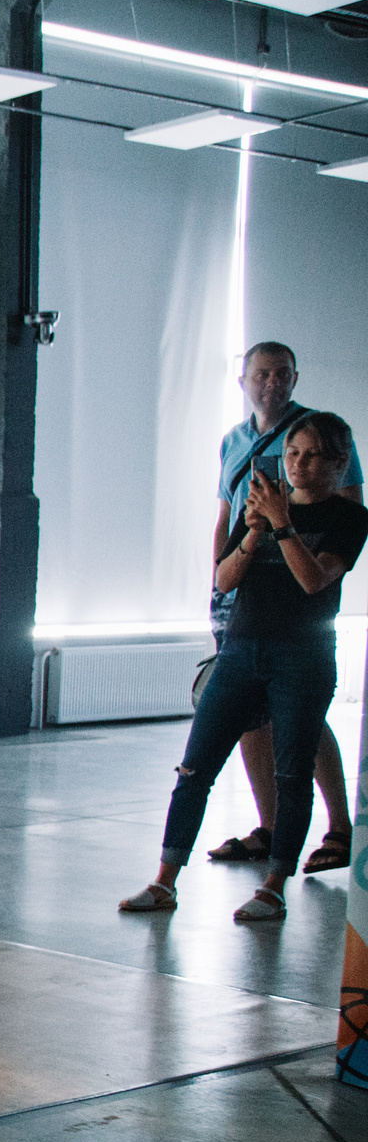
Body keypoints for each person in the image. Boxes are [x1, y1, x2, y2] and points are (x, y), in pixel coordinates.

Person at [123, 412, 366, 925]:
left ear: (340, 463)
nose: (300, 464)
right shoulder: (258, 509)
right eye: (294, 453)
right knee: (194, 770)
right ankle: (164, 880)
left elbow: (314, 580)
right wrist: (255, 533)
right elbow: (226, 578)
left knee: (292, 773)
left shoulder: (348, 518)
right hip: (241, 650)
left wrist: (281, 524)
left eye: (315, 455)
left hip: (302, 657)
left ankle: (275, 885)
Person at [202, 343, 364, 874]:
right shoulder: (234, 440)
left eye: (282, 374)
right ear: (243, 378)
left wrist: (313, 562)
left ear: (296, 378)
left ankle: (339, 828)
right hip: (244, 591)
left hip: (301, 597)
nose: (271, 383)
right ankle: (269, 828)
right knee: (250, 711)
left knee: (302, 712)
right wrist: (219, 588)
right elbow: (226, 515)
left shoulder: (320, 434)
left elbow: (348, 508)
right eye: (261, 373)